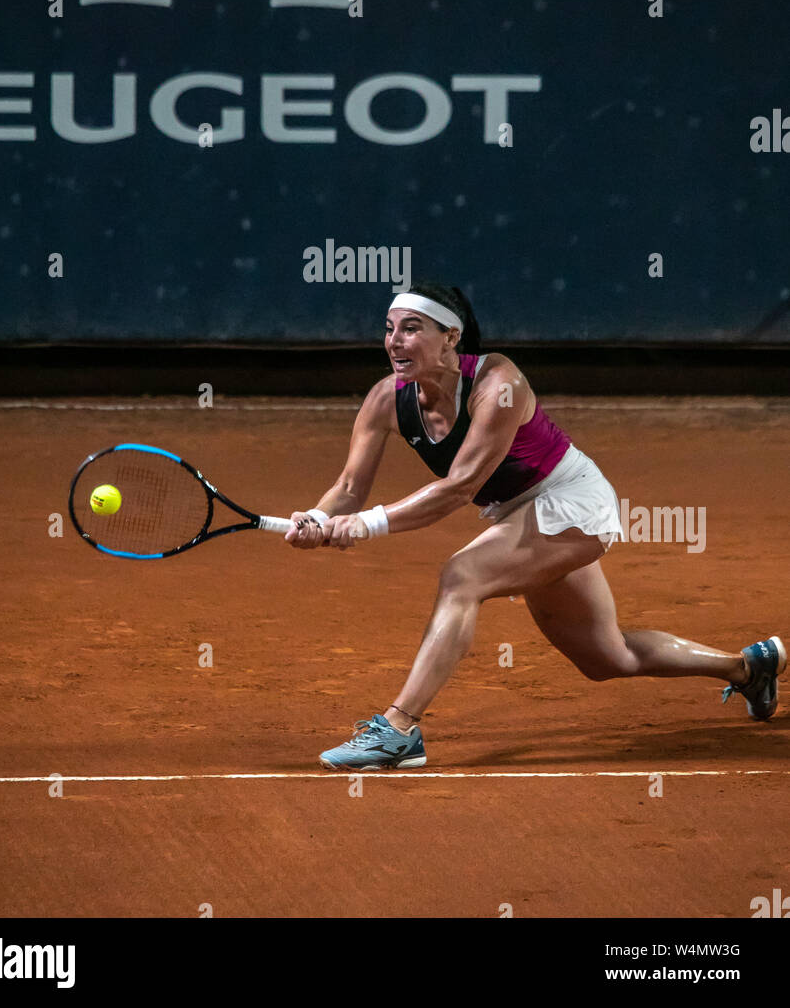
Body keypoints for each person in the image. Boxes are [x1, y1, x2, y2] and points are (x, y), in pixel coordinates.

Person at [286, 282, 785, 770]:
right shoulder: (384, 400)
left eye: (412, 328)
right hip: (519, 516)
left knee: (463, 576)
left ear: (452, 338)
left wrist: (367, 525)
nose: (395, 341)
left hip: (572, 502)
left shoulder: (499, 383)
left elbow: (459, 488)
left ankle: (398, 730)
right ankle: (747, 667)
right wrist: (318, 516)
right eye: (390, 328)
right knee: (608, 659)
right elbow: (349, 487)